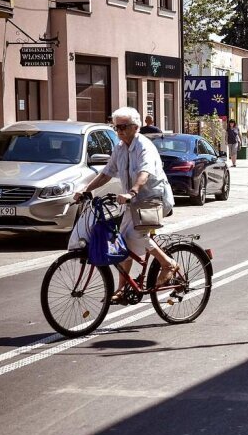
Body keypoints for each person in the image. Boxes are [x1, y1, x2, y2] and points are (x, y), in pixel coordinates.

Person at [75, 106, 177, 304]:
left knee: (135, 235)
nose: (119, 131)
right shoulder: (120, 147)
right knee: (121, 242)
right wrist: (86, 190)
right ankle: (122, 289)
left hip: (152, 199)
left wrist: (132, 191)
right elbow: (106, 173)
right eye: (116, 127)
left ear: (136, 126)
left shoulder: (144, 146)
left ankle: (168, 264)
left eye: (124, 126)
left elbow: (144, 173)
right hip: (132, 202)